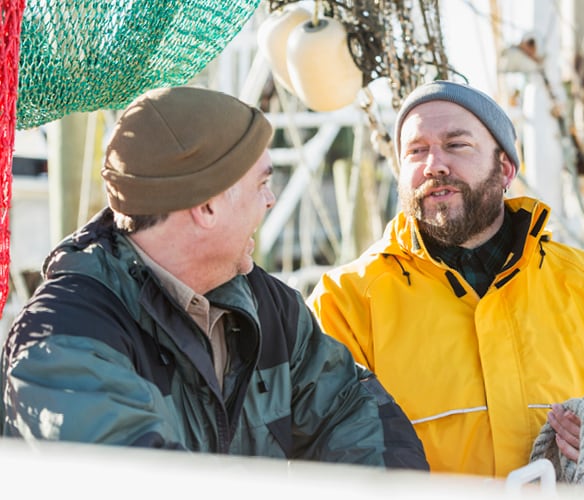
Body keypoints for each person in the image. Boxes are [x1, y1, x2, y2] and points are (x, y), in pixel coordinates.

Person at [0, 86, 428, 471]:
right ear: (206, 207)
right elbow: (131, 479)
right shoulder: (63, 336)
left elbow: (353, 412)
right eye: (262, 183)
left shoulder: (272, 309)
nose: (271, 200)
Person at [307, 80, 584, 481]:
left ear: (505, 168)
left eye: (456, 145)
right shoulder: (346, 301)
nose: (434, 165)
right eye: (416, 151)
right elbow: (316, 451)